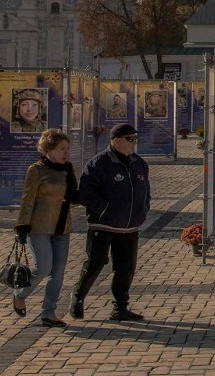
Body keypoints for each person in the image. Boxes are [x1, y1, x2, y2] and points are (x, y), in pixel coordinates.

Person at [69, 123, 151, 322]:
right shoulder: (99, 163)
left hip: (130, 226)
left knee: (126, 268)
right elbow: (86, 193)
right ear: (115, 141)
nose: (133, 143)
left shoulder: (139, 163)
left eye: (135, 139)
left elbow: (146, 190)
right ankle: (78, 297)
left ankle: (120, 308)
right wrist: (105, 210)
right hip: (103, 225)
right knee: (96, 262)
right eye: (129, 139)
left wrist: (144, 208)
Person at [12, 128, 78, 328]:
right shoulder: (37, 169)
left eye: (67, 148)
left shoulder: (68, 169)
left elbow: (74, 195)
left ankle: (49, 313)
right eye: (61, 149)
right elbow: (27, 199)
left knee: (57, 273)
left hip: (62, 227)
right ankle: (20, 294)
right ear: (47, 150)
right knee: (43, 267)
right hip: (39, 226)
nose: (65, 153)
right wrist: (22, 226)